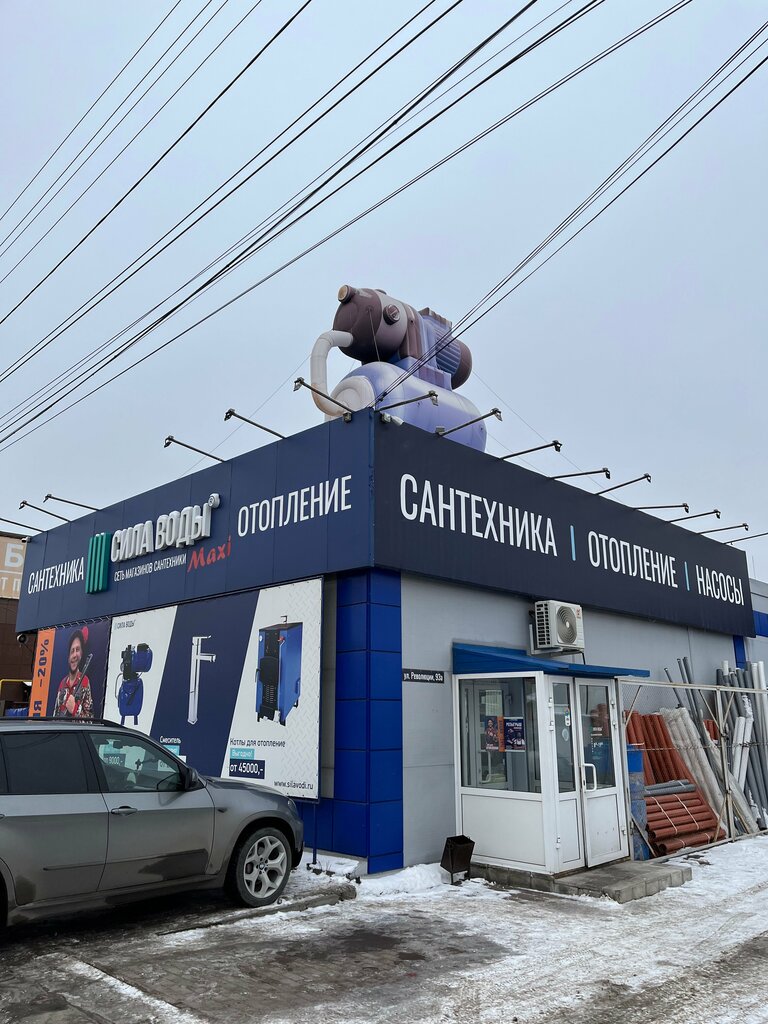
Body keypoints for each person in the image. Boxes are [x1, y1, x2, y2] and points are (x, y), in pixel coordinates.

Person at [53, 628, 94, 718]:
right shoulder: (62, 684)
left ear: (82, 654)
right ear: (68, 656)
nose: (74, 655)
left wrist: (75, 709)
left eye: (77, 650)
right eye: (72, 651)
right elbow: (55, 716)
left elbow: (90, 720)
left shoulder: (85, 681)